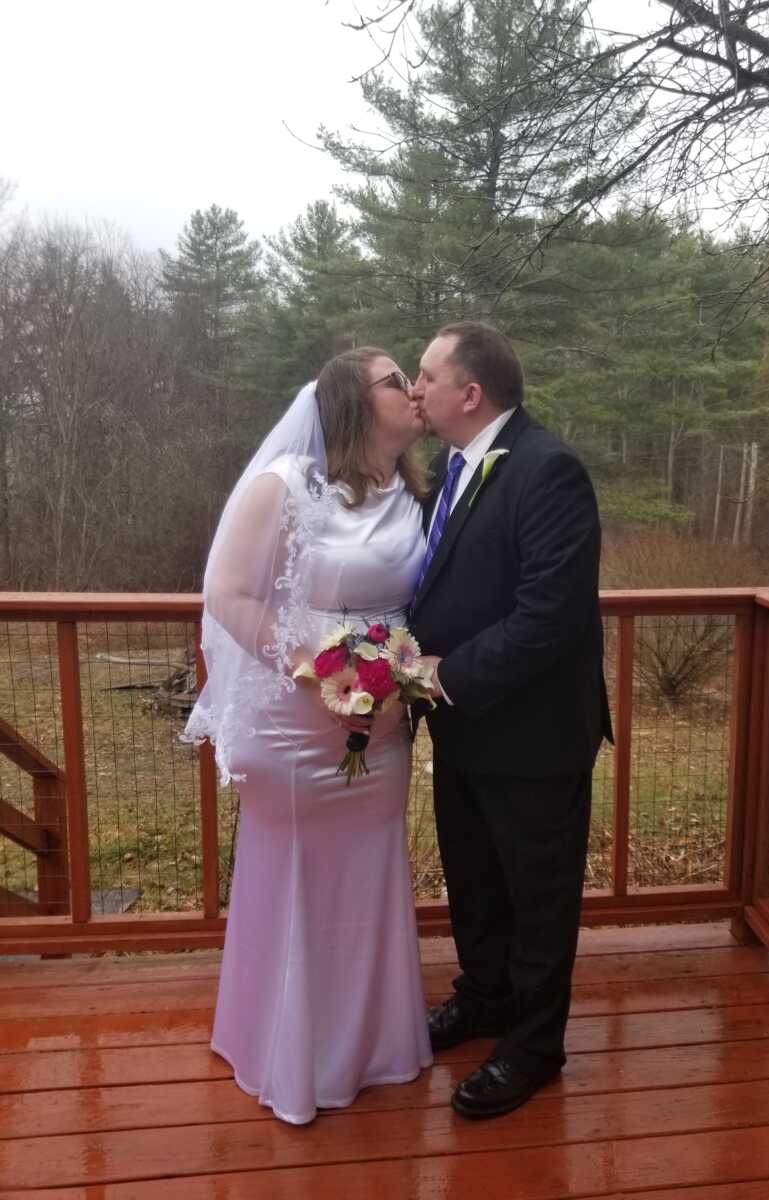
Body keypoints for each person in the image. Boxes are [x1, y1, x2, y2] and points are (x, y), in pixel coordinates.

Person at [183, 348, 433, 1125]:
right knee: (293, 878)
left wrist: (397, 676)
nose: (415, 390)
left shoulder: (416, 493)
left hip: (382, 720)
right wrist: (313, 673)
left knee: (369, 876)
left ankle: (369, 1046)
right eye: (397, 380)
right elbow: (227, 592)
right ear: (352, 404)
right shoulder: (284, 486)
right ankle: (284, 1054)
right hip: (295, 725)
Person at [409, 321, 613, 1119]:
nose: (416, 390)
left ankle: (532, 1047)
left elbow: (549, 616)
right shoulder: (451, 468)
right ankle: (484, 997)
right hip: (462, 730)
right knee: (475, 886)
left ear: (471, 392)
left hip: (532, 737)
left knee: (536, 897)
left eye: (426, 376)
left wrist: (445, 674)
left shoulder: (547, 469)